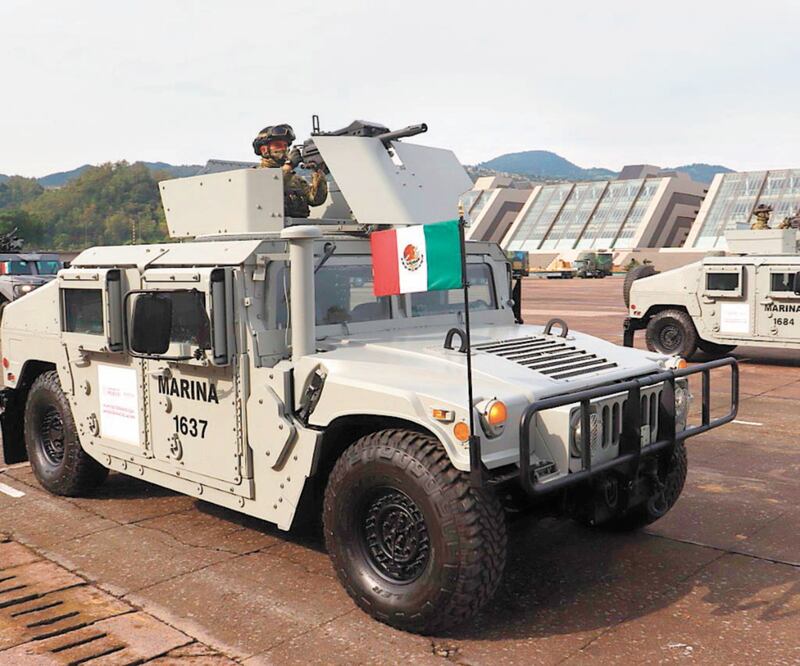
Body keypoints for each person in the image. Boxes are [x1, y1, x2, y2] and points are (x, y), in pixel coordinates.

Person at [252, 124, 328, 218]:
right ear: (264, 150)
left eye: (285, 145)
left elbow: (316, 200)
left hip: (300, 226)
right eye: (278, 145)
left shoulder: (294, 178)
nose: (284, 149)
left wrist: (318, 171)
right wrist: (289, 165)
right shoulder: (254, 175)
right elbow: (267, 189)